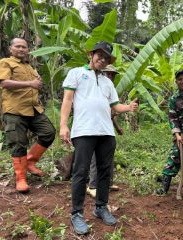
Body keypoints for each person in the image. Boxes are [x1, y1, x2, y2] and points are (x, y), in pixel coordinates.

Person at [60, 41, 138, 235]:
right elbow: (67, 100)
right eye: (99, 56)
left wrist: (128, 107)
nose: (102, 60)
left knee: (104, 172)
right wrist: (63, 125)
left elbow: (115, 106)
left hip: (106, 133)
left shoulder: (107, 82)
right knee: (81, 172)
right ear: (92, 55)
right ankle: (77, 213)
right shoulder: (76, 73)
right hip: (84, 131)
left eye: (105, 58)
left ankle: (100, 207)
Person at [0, 38, 56, 193]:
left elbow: (36, 86)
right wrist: (30, 84)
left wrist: (38, 84)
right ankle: (21, 178)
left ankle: (30, 162)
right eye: (18, 46)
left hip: (34, 109)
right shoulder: (6, 62)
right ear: (11, 48)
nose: (22, 49)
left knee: (48, 132)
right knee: (18, 143)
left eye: (24, 47)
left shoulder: (30, 67)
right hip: (15, 109)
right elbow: (4, 83)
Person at [86, 64, 123, 198]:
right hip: (94, 128)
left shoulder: (109, 88)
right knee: (96, 159)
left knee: (109, 158)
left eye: (113, 74)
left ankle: (107, 183)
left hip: (107, 130)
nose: (111, 76)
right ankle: (92, 186)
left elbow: (111, 113)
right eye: (108, 74)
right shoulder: (95, 87)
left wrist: (118, 128)